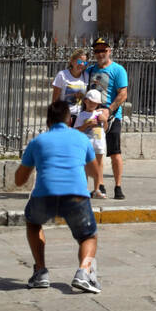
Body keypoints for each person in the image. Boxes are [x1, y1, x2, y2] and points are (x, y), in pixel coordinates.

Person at [14, 100, 101, 293]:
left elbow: (20, 180)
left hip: (45, 194)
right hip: (76, 195)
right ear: (69, 120)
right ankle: (84, 272)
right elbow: (96, 172)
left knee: (34, 223)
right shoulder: (81, 139)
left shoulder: (37, 142)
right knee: (88, 236)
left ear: (47, 122)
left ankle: (40, 272)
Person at [87, 38, 129, 200]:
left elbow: (123, 94)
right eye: (97, 51)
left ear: (109, 51)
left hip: (112, 116)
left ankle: (118, 187)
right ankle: (100, 185)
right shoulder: (90, 70)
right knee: (97, 152)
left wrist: (109, 110)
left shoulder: (118, 70)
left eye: (103, 50)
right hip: (94, 116)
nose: (100, 54)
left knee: (114, 152)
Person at [75, 88, 109, 197]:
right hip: (86, 143)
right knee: (85, 167)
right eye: (89, 102)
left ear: (98, 104)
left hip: (99, 143)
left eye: (94, 103)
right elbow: (77, 130)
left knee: (98, 166)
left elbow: (105, 129)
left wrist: (104, 120)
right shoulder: (82, 115)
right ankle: (83, 189)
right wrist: (87, 124)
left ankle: (97, 189)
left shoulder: (99, 114)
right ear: (85, 101)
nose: (91, 104)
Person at [51, 49, 89, 122]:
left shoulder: (86, 76)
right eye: (79, 61)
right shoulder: (62, 75)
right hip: (64, 116)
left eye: (84, 62)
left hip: (79, 118)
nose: (82, 64)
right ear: (72, 61)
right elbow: (55, 100)